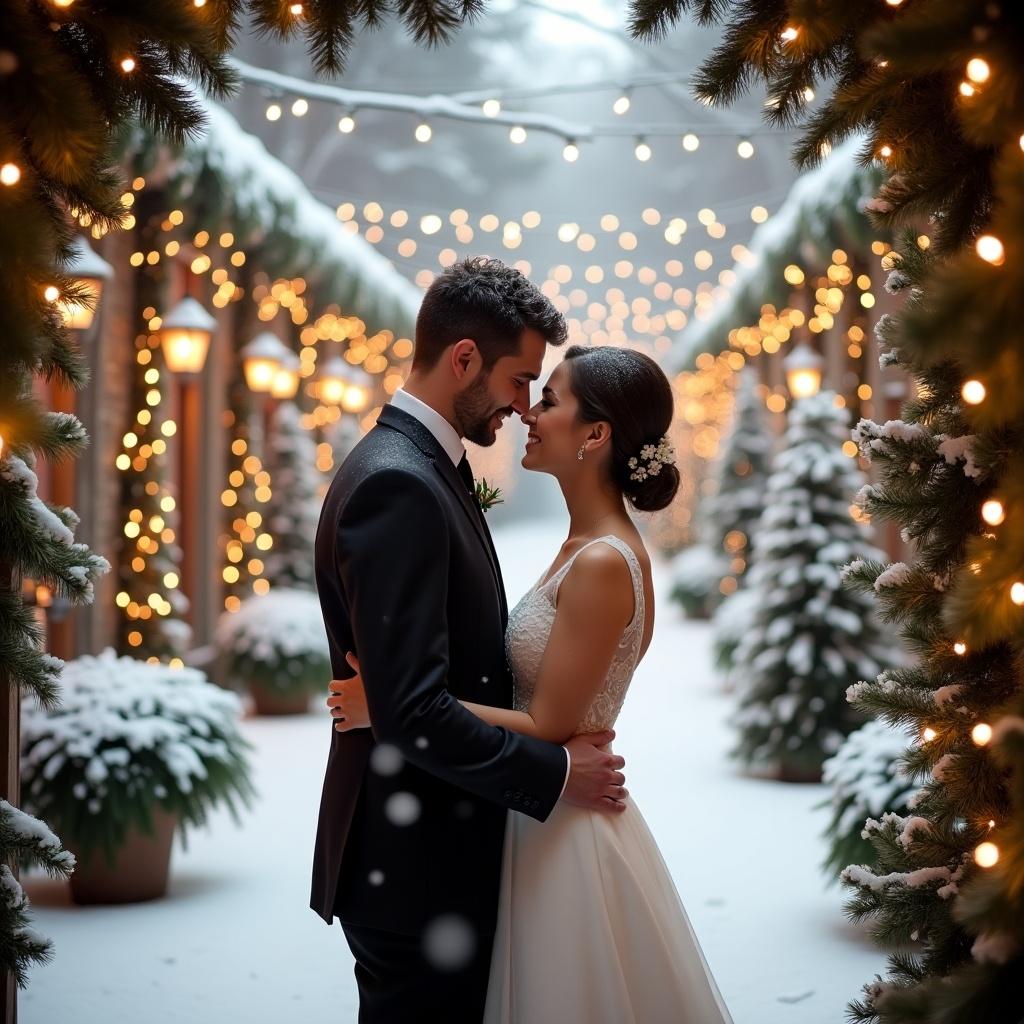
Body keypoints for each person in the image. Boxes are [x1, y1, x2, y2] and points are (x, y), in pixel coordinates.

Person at [331, 342, 735, 1023]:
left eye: (549, 400)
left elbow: (550, 724)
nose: (528, 412)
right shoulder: (582, 545)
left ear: (596, 435)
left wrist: (394, 705)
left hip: (564, 827)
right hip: (534, 810)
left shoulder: (604, 561)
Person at [310, 256, 629, 1024]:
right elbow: (415, 710)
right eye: (520, 380)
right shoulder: (400, 483)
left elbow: (415, 687)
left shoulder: (421, 468)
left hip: (429, 857)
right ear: (463, 360)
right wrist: (554, 774)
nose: (523, 406)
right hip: (417, 872)